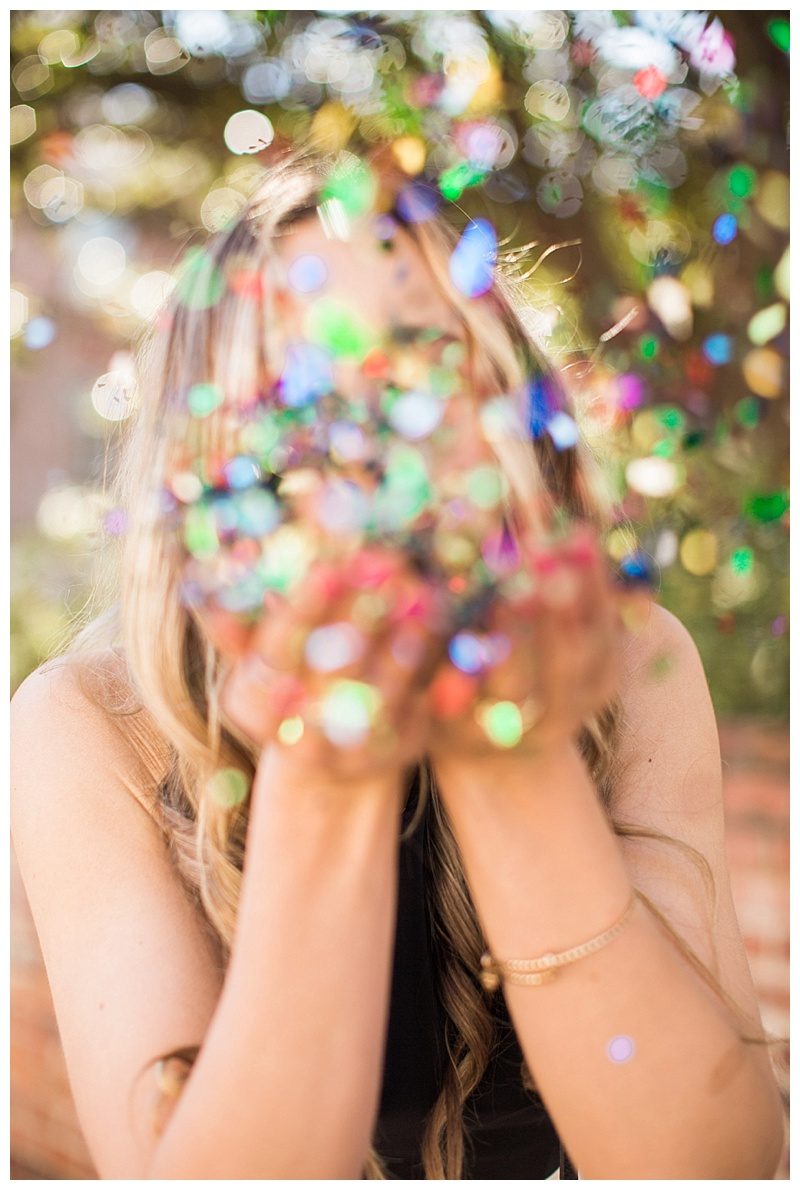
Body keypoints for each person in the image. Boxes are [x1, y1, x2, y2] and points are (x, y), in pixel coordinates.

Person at [11, 151, 785, 1180]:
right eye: (297, 408)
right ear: (205, 483)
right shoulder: (91, 723)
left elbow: (709, 1165)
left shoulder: (624, 659)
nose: (366, 459)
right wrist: (320, 777)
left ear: (511, 426)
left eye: (419, 374)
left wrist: (508, 753)